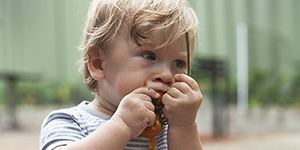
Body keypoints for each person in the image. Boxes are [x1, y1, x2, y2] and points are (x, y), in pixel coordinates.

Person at [39, 0, 203, 149]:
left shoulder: (170, 132)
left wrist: (184, 126)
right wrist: (122, 125)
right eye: (149, 56)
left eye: (178, 63)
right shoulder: (70, 122)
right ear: (98, 63)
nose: (167, 75)